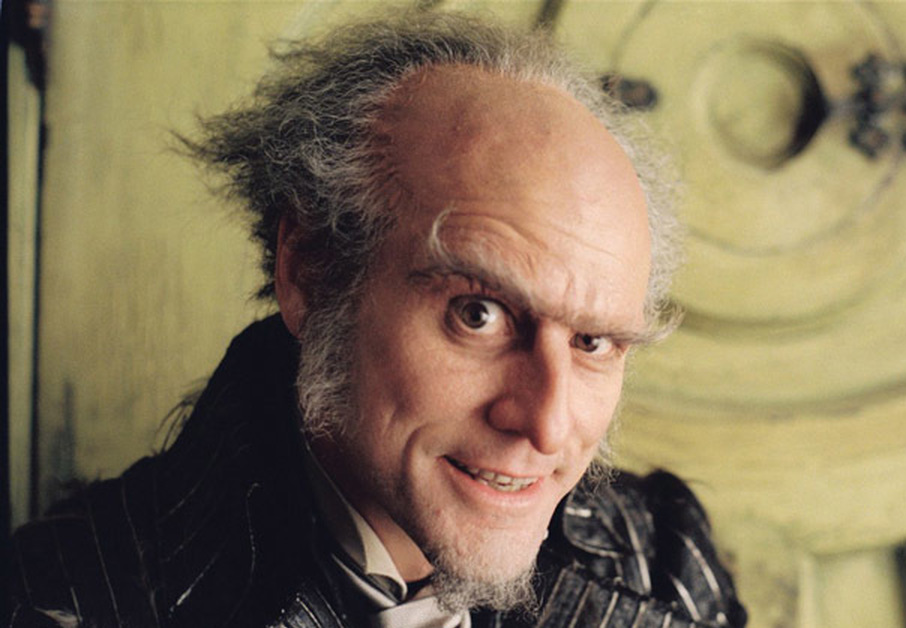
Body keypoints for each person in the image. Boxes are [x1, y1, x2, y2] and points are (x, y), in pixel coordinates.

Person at [7, 9, 746, 628]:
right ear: (310, 271)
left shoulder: (664, 561)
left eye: (592, 341)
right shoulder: (55, 600)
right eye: (478, 314)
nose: (548, 427)